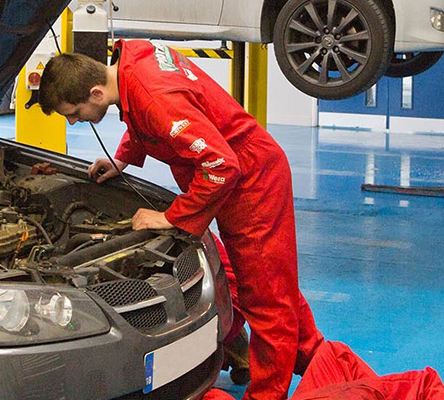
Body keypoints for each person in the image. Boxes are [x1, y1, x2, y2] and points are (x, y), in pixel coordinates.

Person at [28, 39, 324, 400]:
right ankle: (314, 356)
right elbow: (144, 116)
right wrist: (122, 158)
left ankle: (267, 394)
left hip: (251, 182)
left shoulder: (153, 94)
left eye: (73, 112)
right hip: (236, 178)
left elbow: (220, 165)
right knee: (270, 281)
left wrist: (172, 216)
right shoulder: (133, 62)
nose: (73, 121)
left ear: (94, 92)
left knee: (266, 301)